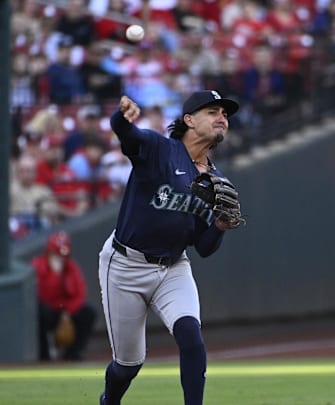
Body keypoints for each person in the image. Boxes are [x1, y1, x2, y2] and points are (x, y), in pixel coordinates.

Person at [98, 90, 242, 405]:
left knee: (191, 337)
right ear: (188, 120)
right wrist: (122, 117)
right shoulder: (160, 150)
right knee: (127, 364)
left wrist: (218, 227)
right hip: (125, 264)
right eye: (212, 111)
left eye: (225, 114)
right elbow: (125, 132)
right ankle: (109, 400)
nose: (222, 118)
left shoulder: (216, 182)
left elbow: (204, 247)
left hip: (173, 267)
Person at [32, 231, 96, 361]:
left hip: (66, 310)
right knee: (42, 312)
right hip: (48, 309)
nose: (59, 258)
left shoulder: (71, 267)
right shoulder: (38, 265)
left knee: (88, 313)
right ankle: (44, 355)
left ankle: (73, 353)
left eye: (62, 255)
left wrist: (67, 312)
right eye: (55, 254)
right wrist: (55, 275)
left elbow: (80, 293)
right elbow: (41, 295)